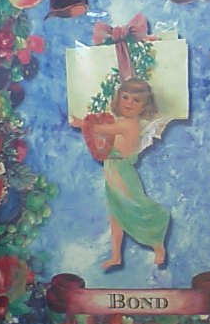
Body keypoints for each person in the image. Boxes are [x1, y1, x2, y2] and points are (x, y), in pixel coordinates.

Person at [71, 78, 170, 269]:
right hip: (112, 171)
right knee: (116, 216)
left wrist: (82, 123)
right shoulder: (121, 121)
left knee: (138, 209)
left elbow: (102, 129)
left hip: (123, 173)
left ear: (144, 106)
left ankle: (158, 245)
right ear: (118, 98)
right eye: (125, 97)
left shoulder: (130, 124)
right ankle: (116, 255)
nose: (128, 103)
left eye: (136, 100)